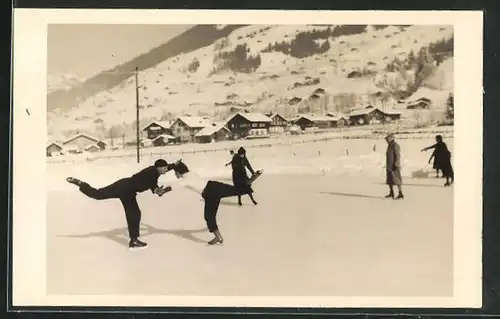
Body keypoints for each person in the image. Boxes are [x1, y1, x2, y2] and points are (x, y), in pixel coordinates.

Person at [65, 159, 181, 249]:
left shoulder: (154, 170)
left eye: (167, 168)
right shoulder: (151, 174)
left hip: (127, 188)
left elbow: (163, 173)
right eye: (165, 168)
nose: (166, 170)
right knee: (100, 196)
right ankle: (134, 240)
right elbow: (154, 186)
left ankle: (134, 240)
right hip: (125, 189)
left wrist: (174, 165)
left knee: (134, 213)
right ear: (159, 168)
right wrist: (160, 191)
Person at [171, 160, 256, 245]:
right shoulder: (192, 173)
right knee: (234, 190)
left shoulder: (185, 180)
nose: (175, 175)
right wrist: (176, 165)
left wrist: (162, 190)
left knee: (209, 216)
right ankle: (249, 182)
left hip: (210, 194)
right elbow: (181, 172)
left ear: (178, 172)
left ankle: (218, 237)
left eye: (176, 173)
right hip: (214, 185)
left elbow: (172, 186)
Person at [385, 133, 404, 200]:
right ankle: (391, 193)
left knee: (397, 180)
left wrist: (396, 164)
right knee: (389, 180)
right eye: (386, 139)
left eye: (387, 139)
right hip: (389, 166)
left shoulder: (395, 145)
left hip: (394, 166)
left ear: (392, 138)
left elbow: (397, 156)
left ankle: (400, 193)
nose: (386, 140)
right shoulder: (390, 145)